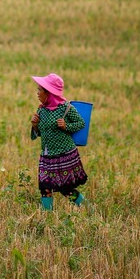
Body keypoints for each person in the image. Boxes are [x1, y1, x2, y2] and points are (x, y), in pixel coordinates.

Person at [29, 73, 88, 209]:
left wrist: (66, 126)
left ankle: (88, 209)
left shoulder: (66, 108)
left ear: (48, 93)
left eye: (40, 90)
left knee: (66, 189)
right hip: (46, 156)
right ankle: (47, 219)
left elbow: (81, 124)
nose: (37, 93)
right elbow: (38, 133)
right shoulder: (41, 110)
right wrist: (34, 125)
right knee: (45, 187)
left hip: (64, 155)